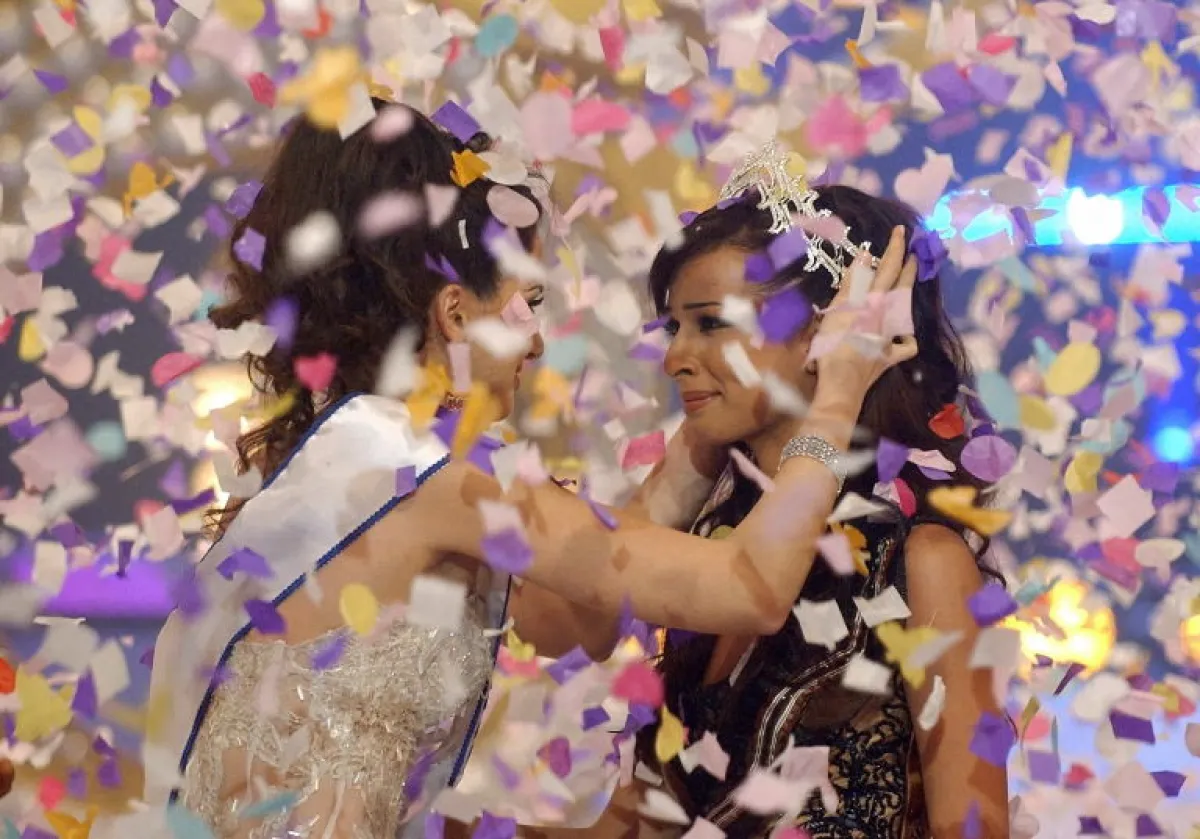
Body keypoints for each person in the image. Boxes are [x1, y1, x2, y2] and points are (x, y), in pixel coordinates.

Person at [141, 104, 913, 839]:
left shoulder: (380, 459)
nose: (539, 341)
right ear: (454, 313)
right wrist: (840, 388)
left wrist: (693, 452)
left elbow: (573, 622)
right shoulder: (433, 474)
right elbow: (750, 586)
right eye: (530, 300)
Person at [571, 152, 1008, 838]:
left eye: (710, 322)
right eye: (674, 327)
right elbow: (638, 824)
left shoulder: (921, 562)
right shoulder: (713, 549)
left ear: (826, 328)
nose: (675, 356)